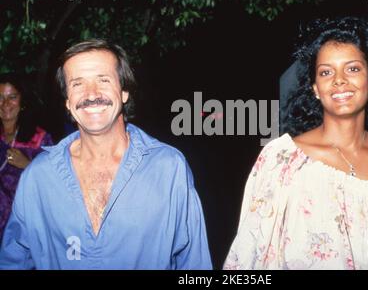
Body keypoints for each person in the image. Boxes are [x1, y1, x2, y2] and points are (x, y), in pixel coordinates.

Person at [223, 17, 368, 269]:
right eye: (326, 72)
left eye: (352, 68)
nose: (339, 80)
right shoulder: (282, 160)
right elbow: (249, 259)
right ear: (316, 89)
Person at [0, 39, 212, 269]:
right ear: (67, 102)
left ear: (124, 93)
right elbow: (13, 261)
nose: (91, 94)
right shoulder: (39, 177)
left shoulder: (168, 168)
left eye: (103, 80)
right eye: (77, 84)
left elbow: (194, 264)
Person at [0, 74, 53, 242]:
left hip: (22, 227)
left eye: (12, 97)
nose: (5, 104)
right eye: (0, 98)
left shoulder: (39, 138)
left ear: (22, 102)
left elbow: (55, 182)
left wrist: (27, 165)